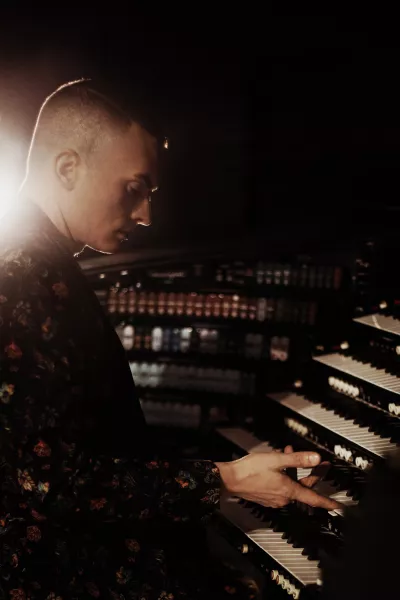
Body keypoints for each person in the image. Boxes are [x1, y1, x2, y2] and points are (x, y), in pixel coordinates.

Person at [0, 78, 339, 599]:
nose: (146, 215)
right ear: (68, 168)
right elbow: (51, 482)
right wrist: (226, 479)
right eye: (134, 188)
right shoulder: (17, 274)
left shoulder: (40, 261)